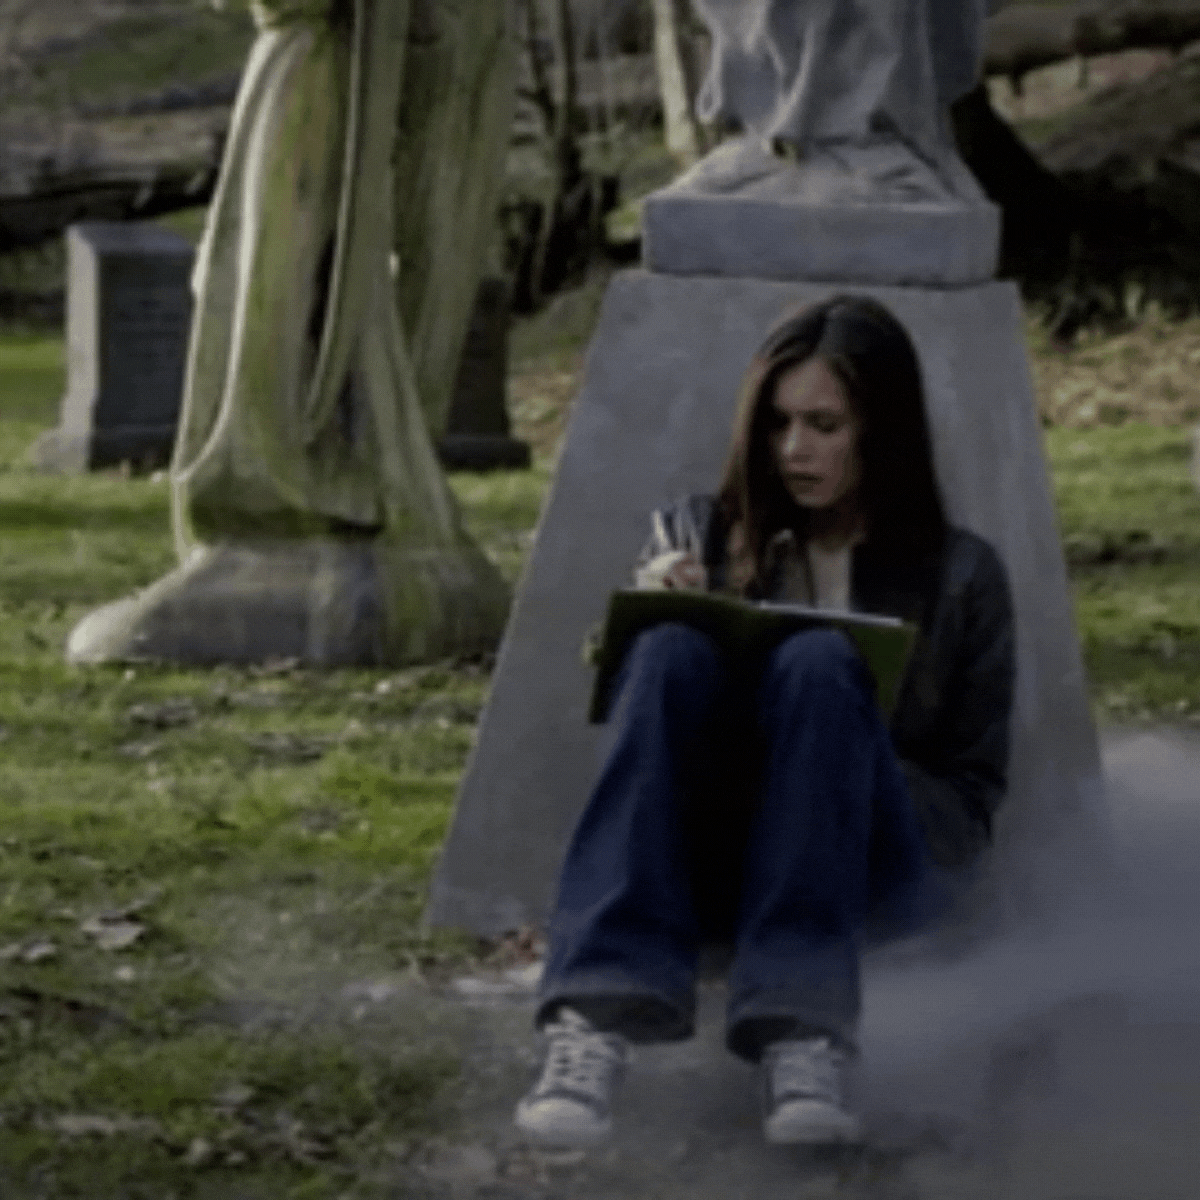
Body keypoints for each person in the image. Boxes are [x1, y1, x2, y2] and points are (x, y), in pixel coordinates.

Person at [514, 295, 1015, 1148]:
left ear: (880, 429)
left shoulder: (961, 574)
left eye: (825, 424)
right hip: (719, 854)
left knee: (821, 666)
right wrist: (659, 602)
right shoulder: (700, 531)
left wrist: (843, 755)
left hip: (871, 863)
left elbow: (972, 800)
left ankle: (803, 1034)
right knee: (671, 647)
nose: (795, 451)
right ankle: (591, 1025)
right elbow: (639, 727)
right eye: (779, 422)